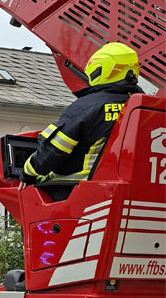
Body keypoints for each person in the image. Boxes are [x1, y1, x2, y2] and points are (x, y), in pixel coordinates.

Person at [20, 42, 143, 201]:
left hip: (76, 193)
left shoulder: (87, 107)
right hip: (129, 194)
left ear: (100, 69)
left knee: (32, 203)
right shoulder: (144, 107)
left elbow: (53, 150)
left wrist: (27, 173)